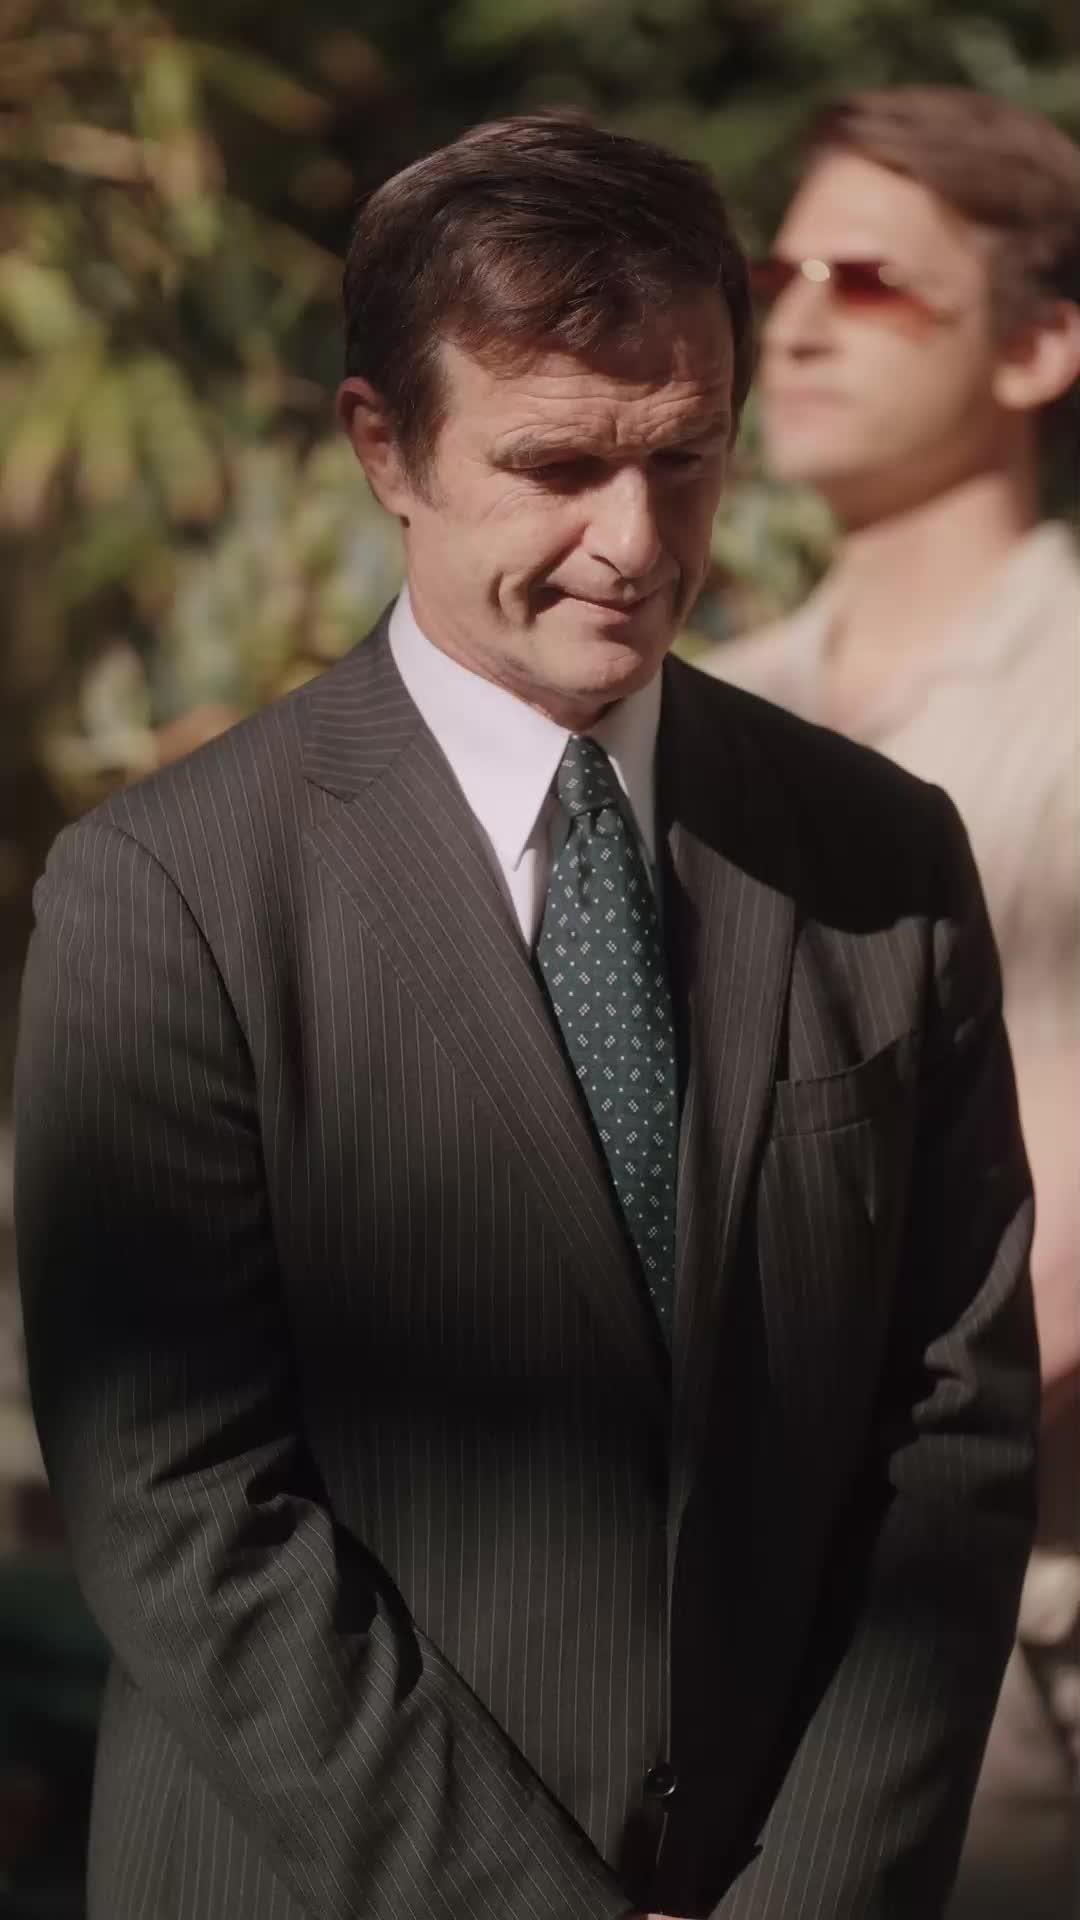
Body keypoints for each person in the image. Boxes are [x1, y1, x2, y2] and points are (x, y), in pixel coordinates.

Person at [14, 114, 1038, 1920]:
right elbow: (180, 1496)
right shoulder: (168, 890)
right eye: (557, 464)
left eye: (685, 458)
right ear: (383, 447)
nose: (632, 542)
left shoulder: (878, 854)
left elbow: (949, 1431)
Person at [701, 87, 1080, 1845]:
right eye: (776, 277)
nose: (792, 324)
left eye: (869, 282)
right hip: (744, 1621)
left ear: (1040, 345)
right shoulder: (705, 710)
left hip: (1026, 1621)